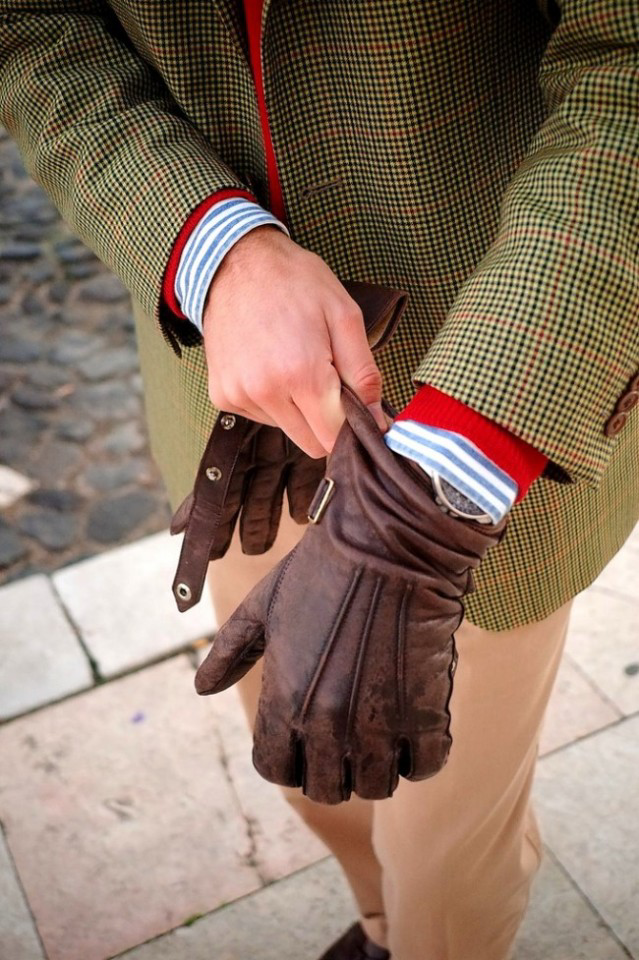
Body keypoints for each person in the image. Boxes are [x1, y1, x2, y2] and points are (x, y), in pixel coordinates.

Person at [1, 1, 637, 957]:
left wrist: (422, 509)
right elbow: (31, 24)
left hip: (482, 392)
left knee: (445, 852)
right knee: (304, 760)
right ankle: (379, 932)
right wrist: (212, 248)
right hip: (230, 388)